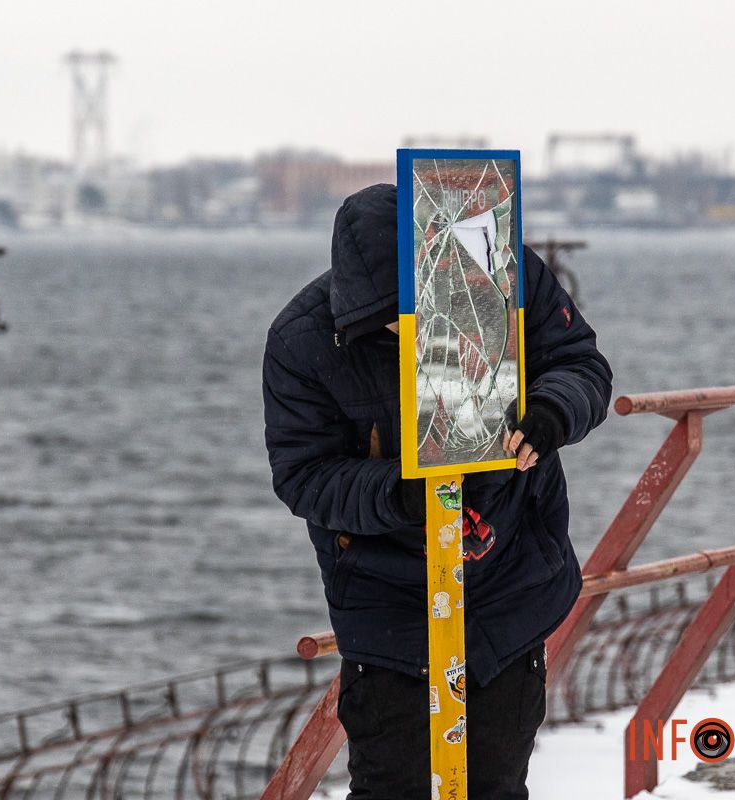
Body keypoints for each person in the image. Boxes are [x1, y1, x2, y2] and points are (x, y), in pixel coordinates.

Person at [262, 183, 612, 799]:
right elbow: (303, 475)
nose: (414, 336)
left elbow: (580, 364)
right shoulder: (302, 342)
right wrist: (398, 493)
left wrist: (552, 412)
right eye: (395, 325)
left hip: (510, 585)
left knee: (496, 785)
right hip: (387, 602)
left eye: (425, 317)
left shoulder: (506, 275)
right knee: (391, 787)